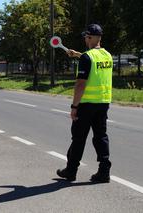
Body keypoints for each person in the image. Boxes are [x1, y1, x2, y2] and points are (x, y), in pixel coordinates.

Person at [57, 24, 113, 183]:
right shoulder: (107, 55)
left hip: (87, 105)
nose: (84, 39)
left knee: (79, 138)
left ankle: (71, 171)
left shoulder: (87, 58)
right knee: (101, 136)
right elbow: (94, 62)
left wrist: (74, 106)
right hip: (103, 103)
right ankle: (104, 171)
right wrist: (78, 55)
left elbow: (81, 84)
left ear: (90, 37)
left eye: (86, 37)